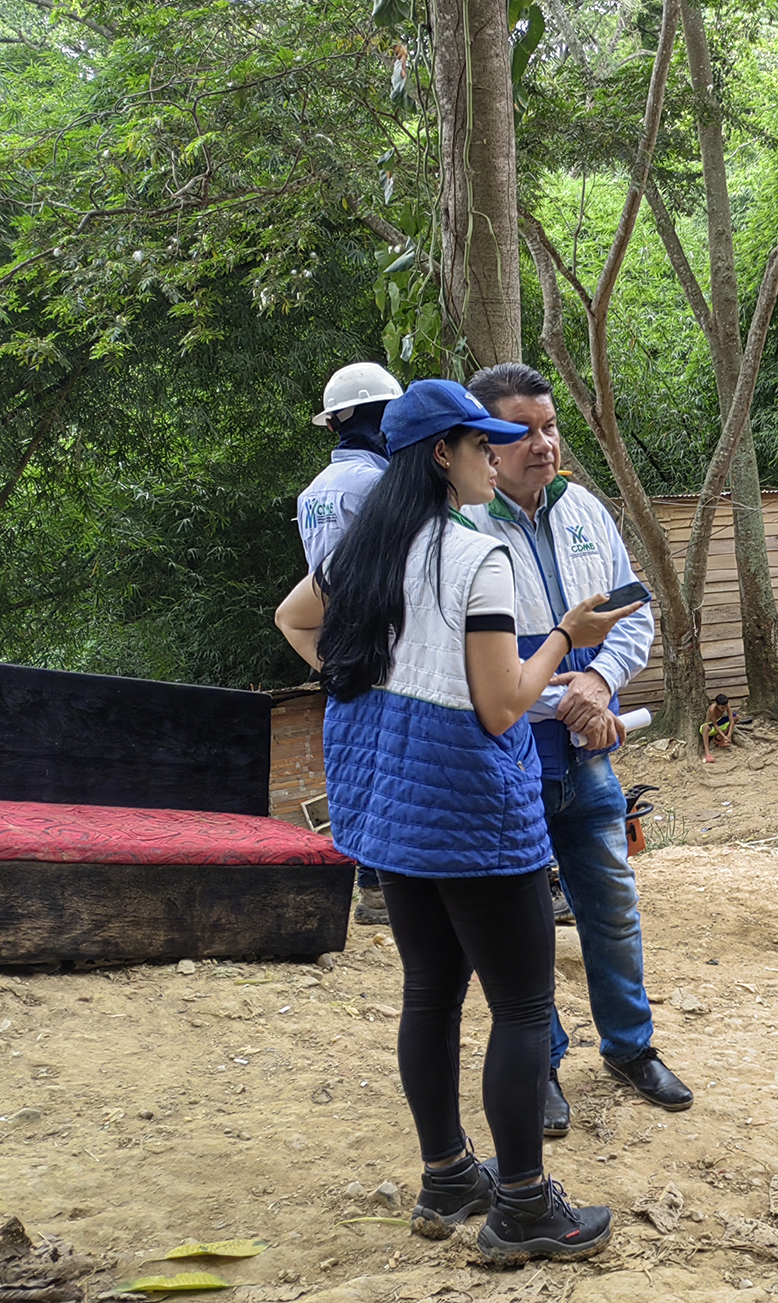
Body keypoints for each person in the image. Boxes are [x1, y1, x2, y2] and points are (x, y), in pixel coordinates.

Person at [272, 378, 635, 1262]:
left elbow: (293, 619)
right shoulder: (479, 558)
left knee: (429, 993)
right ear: (445, 455)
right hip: (472, 810)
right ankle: (521, 1205)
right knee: (521, 1004)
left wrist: (360, 678)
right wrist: (565, 632)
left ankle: (446, 1176)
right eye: (482, 445)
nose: (495, 457)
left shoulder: (364, 546)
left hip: (391, 808)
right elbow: (505, 704)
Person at [463, 363, 694, 1118]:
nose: (543, 443)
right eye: (522, 430)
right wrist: (567, 697)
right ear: (485, 444)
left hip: (591, 754)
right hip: (509, 761)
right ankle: (544, 1066)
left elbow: (637, 612)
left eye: (551, 425)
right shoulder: (464, 527)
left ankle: (631, 1047)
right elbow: (474, 669)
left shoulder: (587, 512)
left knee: (612, 906)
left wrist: (600, 683)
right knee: (527, 922)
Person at [296, 361, 403, 927]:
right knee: (393, 762)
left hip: (338, 645)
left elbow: (314, 582)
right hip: (387, 641)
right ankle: (391, 886)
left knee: (354, 764)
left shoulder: (312, 493)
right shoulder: (379, 484)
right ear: (374, 418)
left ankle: (370, 887)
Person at [701, 695, 734, 762]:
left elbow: (732, 720)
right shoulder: (712, 709)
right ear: (717, 705)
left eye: (725, 707)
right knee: (705, 728)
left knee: (736, 717)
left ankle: (718, 739)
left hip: (720, 723)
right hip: (712, 726)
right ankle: (707, 754)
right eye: (722, 708)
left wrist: (729, 734)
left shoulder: (727, 705)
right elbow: (715, 724)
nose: (724, 709)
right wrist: (724, 736)